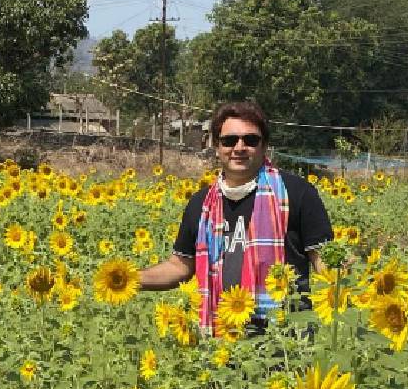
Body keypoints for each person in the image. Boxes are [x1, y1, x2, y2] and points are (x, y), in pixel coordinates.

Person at [139, 101, 333, 335]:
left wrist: (350, 279)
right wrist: (130, 279)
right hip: (222, 339)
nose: (239, 147)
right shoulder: (201, 204)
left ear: (264, 146)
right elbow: (180, 266)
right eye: (229, 140)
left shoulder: (297, 193)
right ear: (216, 147)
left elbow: (323, 261)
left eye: (250, 140)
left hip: (285, 342)